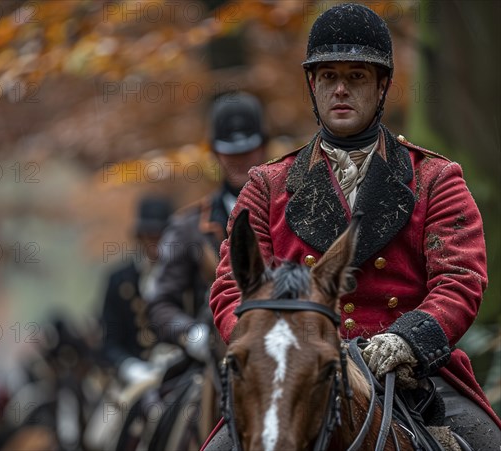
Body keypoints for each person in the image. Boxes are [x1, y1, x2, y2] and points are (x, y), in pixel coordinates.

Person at [206, 3, 501, 450]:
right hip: (293, 372)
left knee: (486, 441)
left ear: (382, 85)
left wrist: (407, 339)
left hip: (410, 374)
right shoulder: (267, 185)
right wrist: (269, 344)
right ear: (313, 84)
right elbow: (232, 289)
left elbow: (460, 280)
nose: (341, 89)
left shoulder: (435, 179)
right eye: (328, 77)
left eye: (357, 77)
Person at [144, 92, 268, 362]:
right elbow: (161, 303)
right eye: (230, 152)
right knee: (151, 403)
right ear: (214, 152)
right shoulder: (187, 227)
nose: (240, 160)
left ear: (263, 147)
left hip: (279, 349)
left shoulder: (288, 213)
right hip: (212, 355)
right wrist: (190, 334)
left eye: (248, 151)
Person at [97, 195, 173, 385]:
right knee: (108, 415)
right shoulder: (118, 280)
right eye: (150, 235)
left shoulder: (184, 276)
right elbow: (109, 341)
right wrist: (128, 366)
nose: (155, 242)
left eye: (161, 235)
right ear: (140, 236)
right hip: (133, 375)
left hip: (178, 370)